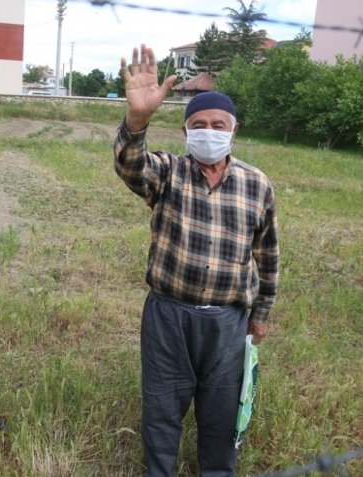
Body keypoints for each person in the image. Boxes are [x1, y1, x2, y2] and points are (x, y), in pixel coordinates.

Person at [114, 45, 279, 476]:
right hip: (169, 314)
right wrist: (137, 120)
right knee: (163, 406)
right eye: (199, 125)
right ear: (187, 132)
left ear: (233, 130)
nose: (209, 132)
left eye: (217, 125)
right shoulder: (167, 172)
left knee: (221, 411)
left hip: (228, 320)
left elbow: (268, 256)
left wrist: (259, 315)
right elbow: (131, 166)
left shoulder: (257, 184)